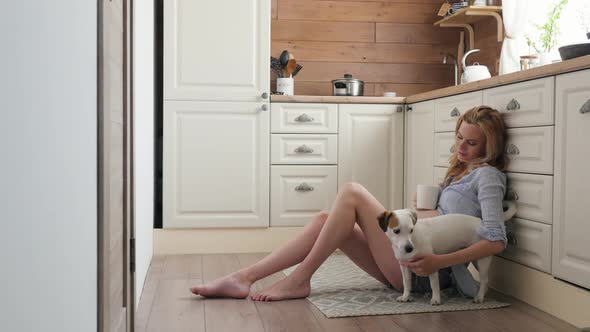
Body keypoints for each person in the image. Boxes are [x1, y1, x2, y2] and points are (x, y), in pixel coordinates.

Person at [190, 105, 508, 301]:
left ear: (489, 144)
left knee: (352, 192)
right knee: (323, 220)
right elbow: (444, 222)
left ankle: (299, 281)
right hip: (409, 253)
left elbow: (495, 239)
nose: (461, 147)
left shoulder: (488, 177)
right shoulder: (460, 172)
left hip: (426, 271)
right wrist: (419, 211)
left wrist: (438, 263)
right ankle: (243, 278)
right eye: (459, 138)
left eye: (472, 142)